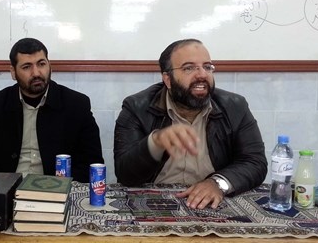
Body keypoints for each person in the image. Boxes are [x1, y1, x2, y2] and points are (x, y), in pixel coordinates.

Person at [114, 38, 267, 210]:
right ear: (168, 79)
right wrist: (154, 143)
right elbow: (125, 175)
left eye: (207, 67)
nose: (202, 75)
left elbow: (255, 162)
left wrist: (218, 183)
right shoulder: (137, 107)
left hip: (212, 204)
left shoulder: (234, 107)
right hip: (153, 204)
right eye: (189, 68)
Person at [0, 37, 103, 183]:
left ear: (50, 66)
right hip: (7, 188)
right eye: (26, 67)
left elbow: (92, 163)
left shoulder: (77, 105)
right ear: (13, 72)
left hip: (56, 188)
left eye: (41, 64)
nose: (36, 73)